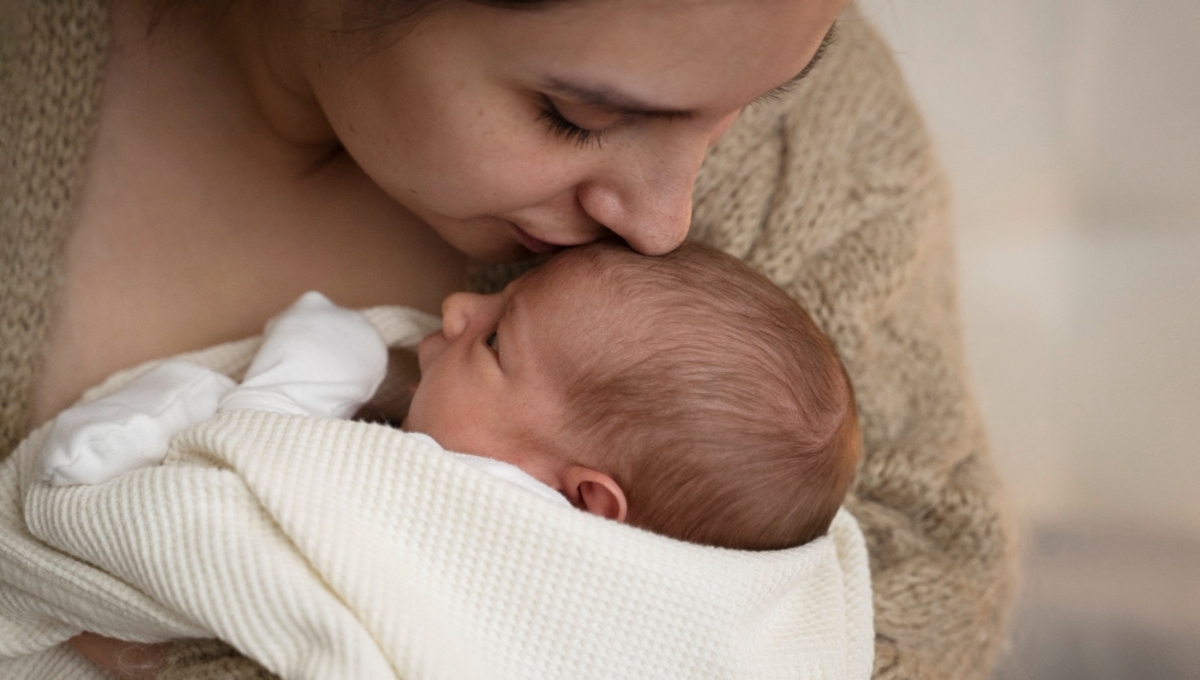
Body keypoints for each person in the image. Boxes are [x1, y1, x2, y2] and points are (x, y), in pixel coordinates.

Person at [0, 0, 1016, 678]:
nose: (667, 223)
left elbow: (928, 584)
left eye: (742, 115)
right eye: (576, 115)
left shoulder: (805, 115)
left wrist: (198, 623)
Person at [43, 241, 860, 552]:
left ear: (584, 500)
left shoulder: (492, 525)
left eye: (497, 341)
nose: (462, 309)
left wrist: (318, 373)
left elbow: (257, 502)